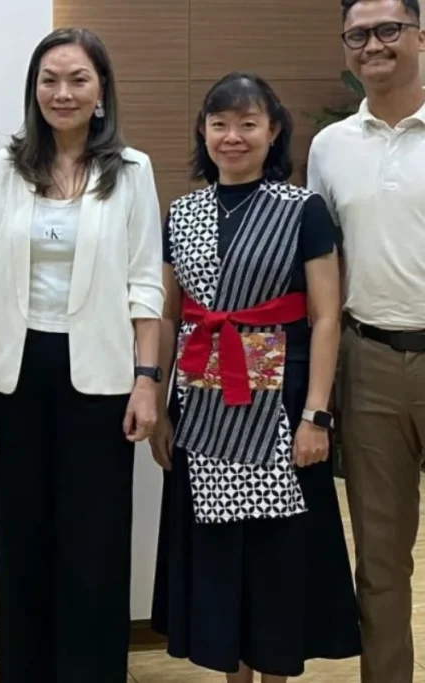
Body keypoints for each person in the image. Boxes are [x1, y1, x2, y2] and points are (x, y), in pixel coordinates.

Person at [0, 27, 163, 682]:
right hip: (18, 370)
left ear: (101, 92)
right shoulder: (4, 169)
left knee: (94, 542)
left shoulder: (131, 171)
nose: (62, 92)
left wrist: (146, 377)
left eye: (78, 79)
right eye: (50, 79)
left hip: (100, 373)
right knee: (22, 537)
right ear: (33, 90)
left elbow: (144, 283)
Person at [149, 71, 362, 682]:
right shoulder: (183, 211)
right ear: (203, 131)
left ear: (273, 132)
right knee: (217, 556)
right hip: (201, 406)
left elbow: (325, 317)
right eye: (220, 124)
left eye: (248, 124)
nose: (232, 136)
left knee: (277, 555)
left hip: (282, 403)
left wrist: (316, 415)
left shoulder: (303, 209)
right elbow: (169, 314)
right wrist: (162, 407)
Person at [305, 1, 425, 681]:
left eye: (388, 30)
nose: (372, 44)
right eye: (358, 34)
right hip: (370, 360)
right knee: (380, 559)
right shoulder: (330, 147)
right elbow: (324, 265)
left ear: (420, 36)